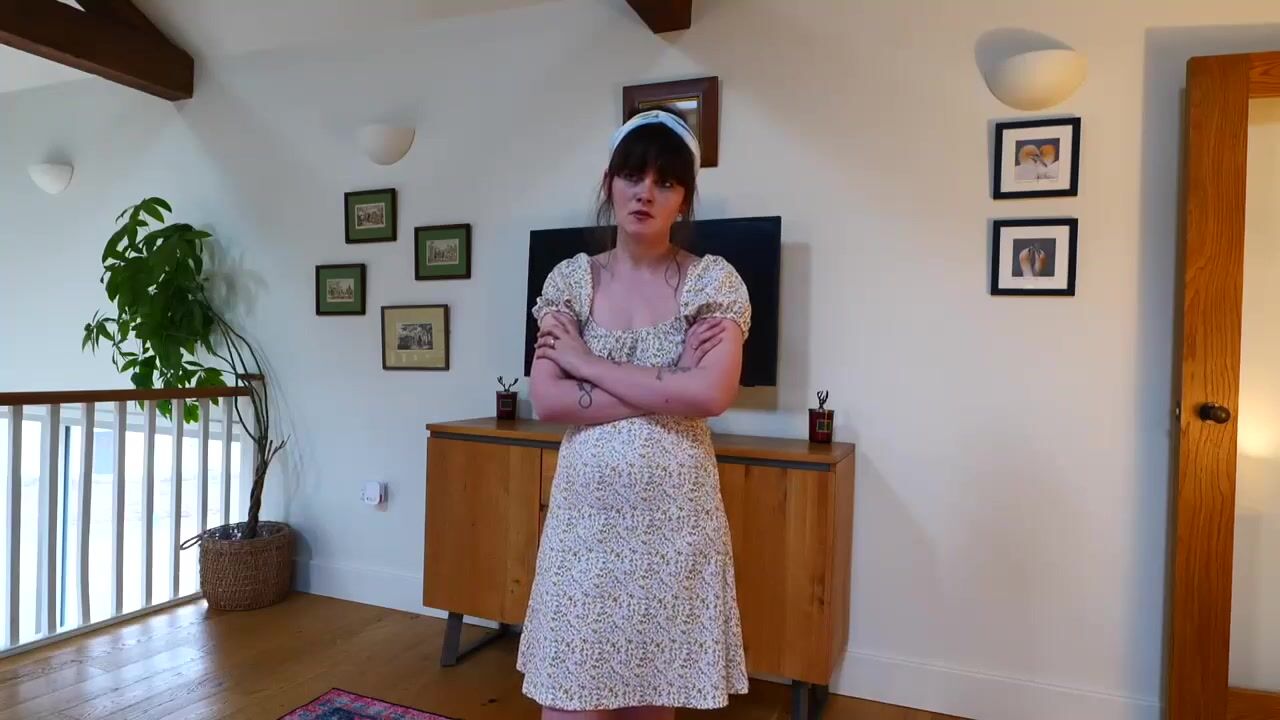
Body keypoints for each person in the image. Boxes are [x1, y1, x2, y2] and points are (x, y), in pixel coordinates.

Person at [516, 107, 751, 720]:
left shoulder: (712, 283)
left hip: (676, 531)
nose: (646, 192)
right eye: (632, 175)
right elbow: (549, 400)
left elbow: (713, 395)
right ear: (610, 183)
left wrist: (586, 363)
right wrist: (674, 382)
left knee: (649, 706)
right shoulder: (570, 282)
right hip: (585, 529)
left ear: (684, 199)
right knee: (567, 700)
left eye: (665, 182)